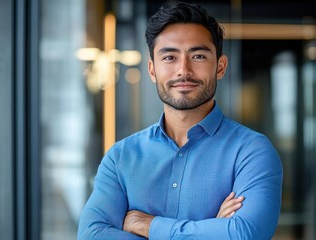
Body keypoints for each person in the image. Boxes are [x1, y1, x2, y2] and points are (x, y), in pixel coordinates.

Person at [77, 2, 283, 239]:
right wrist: (211, 230)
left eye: (198, 56)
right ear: (152, 71)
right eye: (170, 57)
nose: (183, 70)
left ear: (220, 67)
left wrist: (148, 225)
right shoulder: (120, 157)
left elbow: (244, 234)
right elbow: (91, 235)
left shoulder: (252, 151)